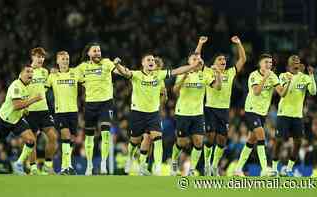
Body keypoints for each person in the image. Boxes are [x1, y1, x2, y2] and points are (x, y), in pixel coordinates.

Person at [114, 53, 202, 175]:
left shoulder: (159, 75)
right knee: (134, 141)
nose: (151, 61)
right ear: (143, 63)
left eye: (152, 60)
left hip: (153, 114)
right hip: (138, 113)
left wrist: (192, 66)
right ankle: (130, 158)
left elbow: (177, 71)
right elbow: (125, 72)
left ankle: (157, 167)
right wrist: (117, 65)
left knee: (158, 139)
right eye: (148, 60)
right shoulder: (137, 75)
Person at [0, 66, 43, 175]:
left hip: (17, 120)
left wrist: (25, 110)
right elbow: (17, 105)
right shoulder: (16, 86)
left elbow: (22, 104)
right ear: (21, 73)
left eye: (32, 72)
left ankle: (18, 164)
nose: (30, 74)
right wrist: (34, 99)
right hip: (4, 120)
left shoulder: (27, 86)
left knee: (31, 140)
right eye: (27, 71)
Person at [234, 54, 290, 176]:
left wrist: (288, 83)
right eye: (266, 62)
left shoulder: (273, 76)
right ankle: (265, 169)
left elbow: (282, 93)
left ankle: (238, 169)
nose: (269, 65)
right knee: (261, 136)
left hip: (263, 112)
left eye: (270, 63)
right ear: (260, 63)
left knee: (251, 140)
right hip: (251, 110)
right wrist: (265, 77)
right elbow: (257, 92)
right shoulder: (254, 75)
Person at [76, 43, 127, 175]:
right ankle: (89, 165)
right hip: (90, 104)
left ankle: (104, 164)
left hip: (106, 103)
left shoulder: (107, 63)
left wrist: (118, 65)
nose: (98, 53)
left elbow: (122, 72)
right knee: (89, 137)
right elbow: (72, 76)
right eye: (94, 51)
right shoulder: (83, 67)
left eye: (99, 50)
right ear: (89, 54)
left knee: (105, 133)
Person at [199, 36, 246, 176]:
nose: (223, 61)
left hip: (224, 110)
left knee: (222, 140)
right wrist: (200, 44)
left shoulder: (230, 72)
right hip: (210, 109)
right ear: (214, 62)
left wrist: (239, 44)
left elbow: (243, 60)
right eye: (220, 59)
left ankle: (214, 165)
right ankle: (207, 164)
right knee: (210, 137)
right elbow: (197, 58)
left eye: (224, 60)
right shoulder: (207, 71)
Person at [171, 50, 222, 176]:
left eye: (197, 59)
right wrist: (184, 76)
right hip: (182, 112)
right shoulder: (182, 73)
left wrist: (218, 74)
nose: (196, 61)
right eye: (193, 59)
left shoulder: (203, 75)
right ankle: (173, 161)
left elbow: (218, 87)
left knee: (199, 142)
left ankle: (192, 169)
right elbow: (175, 90)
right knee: (181, 142)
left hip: (198, 114)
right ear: (189, 61)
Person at [272, 55, 316, 176]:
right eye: (294, 62)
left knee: (298, 143)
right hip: (283, 114)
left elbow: (313, 91)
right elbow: (283, 94)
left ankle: (289, 168)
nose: (296, 63)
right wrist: (289, 81)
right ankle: (274, 168)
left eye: (298, 62)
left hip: (297, 115)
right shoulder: (282, 76)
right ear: (289, 64)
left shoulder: (305, 77)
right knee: (279, 141)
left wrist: (311, 76)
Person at [46, 51, 84, 175]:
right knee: (66, 136)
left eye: (67, 59)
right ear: (57, 61)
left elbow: (86, 82)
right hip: (60, 112)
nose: (65, 61)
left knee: (71, 139)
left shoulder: (75, 73)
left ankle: (69, 166)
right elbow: (43, 89)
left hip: (73, 112)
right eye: (62, 59)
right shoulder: (53, 76)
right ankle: (64, 167)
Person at [25, 47, 58, 175]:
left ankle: (47, 165)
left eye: (42, 57)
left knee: (53, 137)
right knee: (31, 141)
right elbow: (22, 90)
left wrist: (55, 74)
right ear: (32, 56)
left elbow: (47, 86)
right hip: (31, 111)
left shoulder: (45, 72)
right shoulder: (27, 71)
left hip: (43, 110)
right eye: (38, 56)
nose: (41, 59)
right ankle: (33, 168)